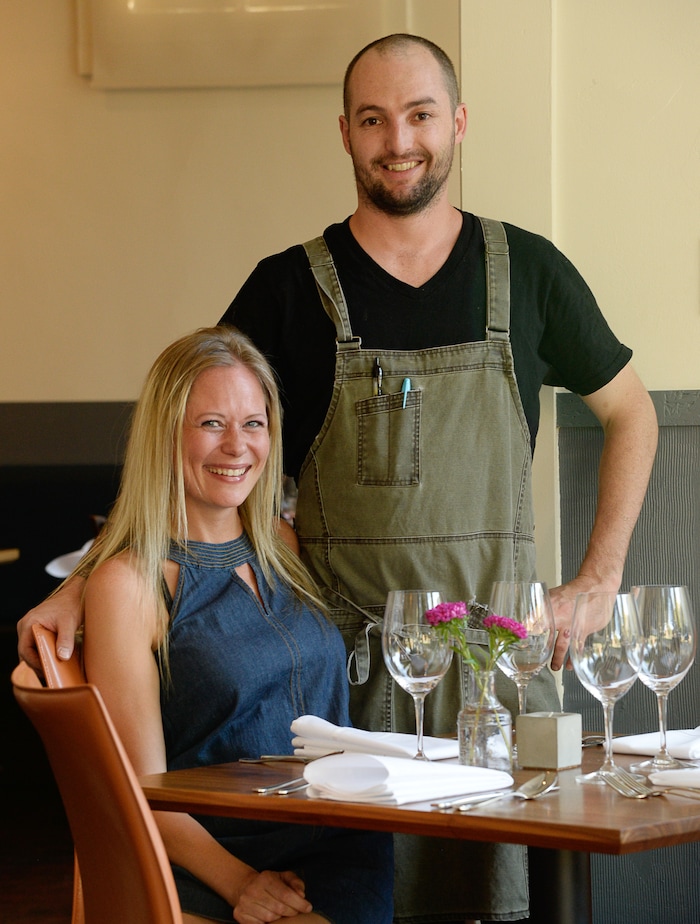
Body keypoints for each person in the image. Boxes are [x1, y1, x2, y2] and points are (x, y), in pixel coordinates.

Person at [18, 33, 658, 923]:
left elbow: (634, 412)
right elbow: (191, 440)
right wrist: (85, 582)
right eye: (374, 119)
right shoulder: (287, 290)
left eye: (421, 114)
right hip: (352, 697)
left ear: (459, 124)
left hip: (499, 683)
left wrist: (600, 577)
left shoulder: (532, 274)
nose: (400, 140)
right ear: (347, 136)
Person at [60, 326, 394, 924]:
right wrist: (242, 884)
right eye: (211, 423)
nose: (237, 446)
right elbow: (140, 788)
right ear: (165, 435)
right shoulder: (129, 585)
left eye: (254, 423)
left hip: (342, 846)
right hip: (211, 863)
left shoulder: (282, 546)